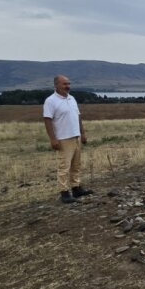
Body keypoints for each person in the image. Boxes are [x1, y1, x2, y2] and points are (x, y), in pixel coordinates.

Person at [43, 75, 93, 203]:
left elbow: (78, 117)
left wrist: (82, 133)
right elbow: (47, 120)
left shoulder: (72, 98)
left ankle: (76, 188)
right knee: (64, 166)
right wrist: (53, 139)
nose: (68, 86)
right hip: (63, 138)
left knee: (76, 165)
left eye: (68, 83)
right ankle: (64, 193)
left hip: (76, 136)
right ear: (56, 86)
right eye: (64, 84)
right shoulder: (50, 101)